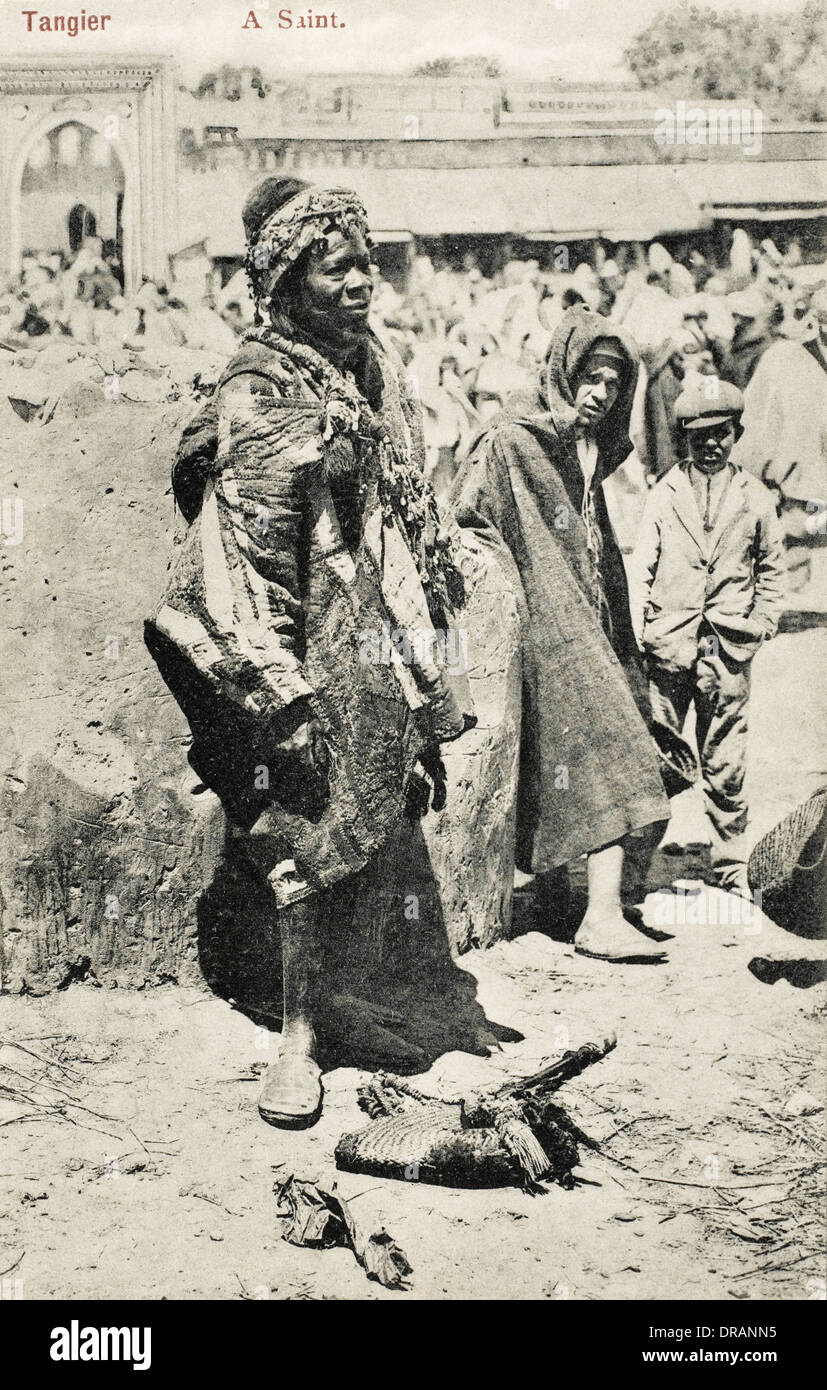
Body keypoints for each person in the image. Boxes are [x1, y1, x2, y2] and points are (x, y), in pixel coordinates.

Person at [146, 176, 473, 1127]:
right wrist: (279, 695)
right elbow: (247, 557)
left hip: (374, 626)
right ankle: (294, 1037)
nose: (364, 281)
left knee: (385, 806)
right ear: (288, 281)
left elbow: (403, 506)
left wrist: (418, 658)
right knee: (302, 821)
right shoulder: (261, 390)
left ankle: (338, 1005)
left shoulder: (371, 365)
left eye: (368, 263)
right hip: (296, 634)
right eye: (339, 268)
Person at [452, 306, 679, 964]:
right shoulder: (514, 435)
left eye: (612, 383)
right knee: (608, 748)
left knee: (575, 756)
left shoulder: (587, 449)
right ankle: (599, 917)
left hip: (580, 621)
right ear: (562, 370)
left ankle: (561, 900)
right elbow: (467, 515)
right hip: (532, 622)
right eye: (589, 377)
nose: (599, 393)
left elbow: (594, 548)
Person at [629, 381, 786, 894]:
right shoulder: (665, 493)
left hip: (728, 651)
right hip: (669, 646)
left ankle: (730, 865)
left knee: (726, 763)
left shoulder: (757, 498)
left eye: (720, 435)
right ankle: (634, 870)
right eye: (699, 437)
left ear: (735, 435)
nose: (711, 445)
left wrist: (761, 623)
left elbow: (771, 571)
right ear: (684, 440)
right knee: (657, 760)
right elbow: (642, 568)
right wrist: (639, 632)